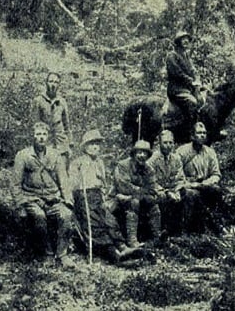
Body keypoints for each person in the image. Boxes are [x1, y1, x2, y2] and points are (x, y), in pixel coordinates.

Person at [69, 130, 140, 264]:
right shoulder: (77, 163)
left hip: (98, 196)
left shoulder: (100, 162)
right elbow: (72, 185)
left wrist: (105, 195)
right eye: (92, 144)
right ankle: (114, 254)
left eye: (97, 144)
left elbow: (104, 183)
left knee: (110, 220)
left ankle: (122, 247)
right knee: (95, 224)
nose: (95, 147)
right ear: (85, 146)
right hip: (83, 197)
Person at [12, 122, 74, 266]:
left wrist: (68, 199)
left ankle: (62, 254)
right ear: (33, 136)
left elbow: (63, 180)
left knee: (66, 215)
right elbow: (15, 183)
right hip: (32, 198)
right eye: (38, 134)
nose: (41, 138)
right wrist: (20, 204)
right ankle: (48, 254)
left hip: (53, 197)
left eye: (44, 134)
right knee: (39, 217)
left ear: (48, 137)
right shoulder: (23, 155)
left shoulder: (55, 155)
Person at [110, 140, 162, 247]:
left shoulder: (148, 169)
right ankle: (132, 240)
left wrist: (149, 193)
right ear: (134, 154)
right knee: (133, 202)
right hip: (118, 198)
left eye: (145, 153)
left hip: (138, 197)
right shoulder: (123, 165)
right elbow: (124, 187)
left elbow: (152, 187)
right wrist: (143, 191)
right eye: (139, 152)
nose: (142, 156)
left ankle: (157, 236)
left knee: (153, 203)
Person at [175, 122, 224, 233]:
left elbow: (216, 174)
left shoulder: (210, 152)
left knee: (217, 190)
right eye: (199, 133)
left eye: (204, 133)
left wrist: (207, 183)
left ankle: (217, 224)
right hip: (188, 186)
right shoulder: (181, 152)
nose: (202, 135)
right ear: (192, 135)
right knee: (192, 194)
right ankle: (185, 230)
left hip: (204, 185)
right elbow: (177, 175)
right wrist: (191, 184)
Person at [148, 130, 187, 234]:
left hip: (173, 190)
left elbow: (180, 178)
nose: (168, 146)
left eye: (171, 142)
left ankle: (182, 229)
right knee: (162, 197)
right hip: (157, 191)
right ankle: (162, 230)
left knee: (188, 194)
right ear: (159, 143)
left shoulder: (176, 159)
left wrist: (177, 190)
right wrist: (167, 192)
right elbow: (150, 181)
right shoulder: (152, 159)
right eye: (165, 143)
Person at [31, 72, 72, 169]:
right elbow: (36, 125)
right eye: (51, 81)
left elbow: (67, 124)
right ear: (46, 83)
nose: (53, 85)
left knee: (63, 169)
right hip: (46, 140)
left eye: (56, 82)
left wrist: (70, 144)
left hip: (61, 140)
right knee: (47, 169)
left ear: (58, 85)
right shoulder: (38, 100)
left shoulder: (62, 101)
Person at [166, 31, 202, 130]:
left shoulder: (187, 56)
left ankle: (209, 129)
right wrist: (191, 81)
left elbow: (193, 71)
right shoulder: (172, 56)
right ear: (178, 42)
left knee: (206, 99)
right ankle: (189, 131)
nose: (186, 41)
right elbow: (177, 73)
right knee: (192, 102)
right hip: (176, 89)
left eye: (187, 39)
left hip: (189, 89)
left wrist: (198, 81)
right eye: (183, 39)